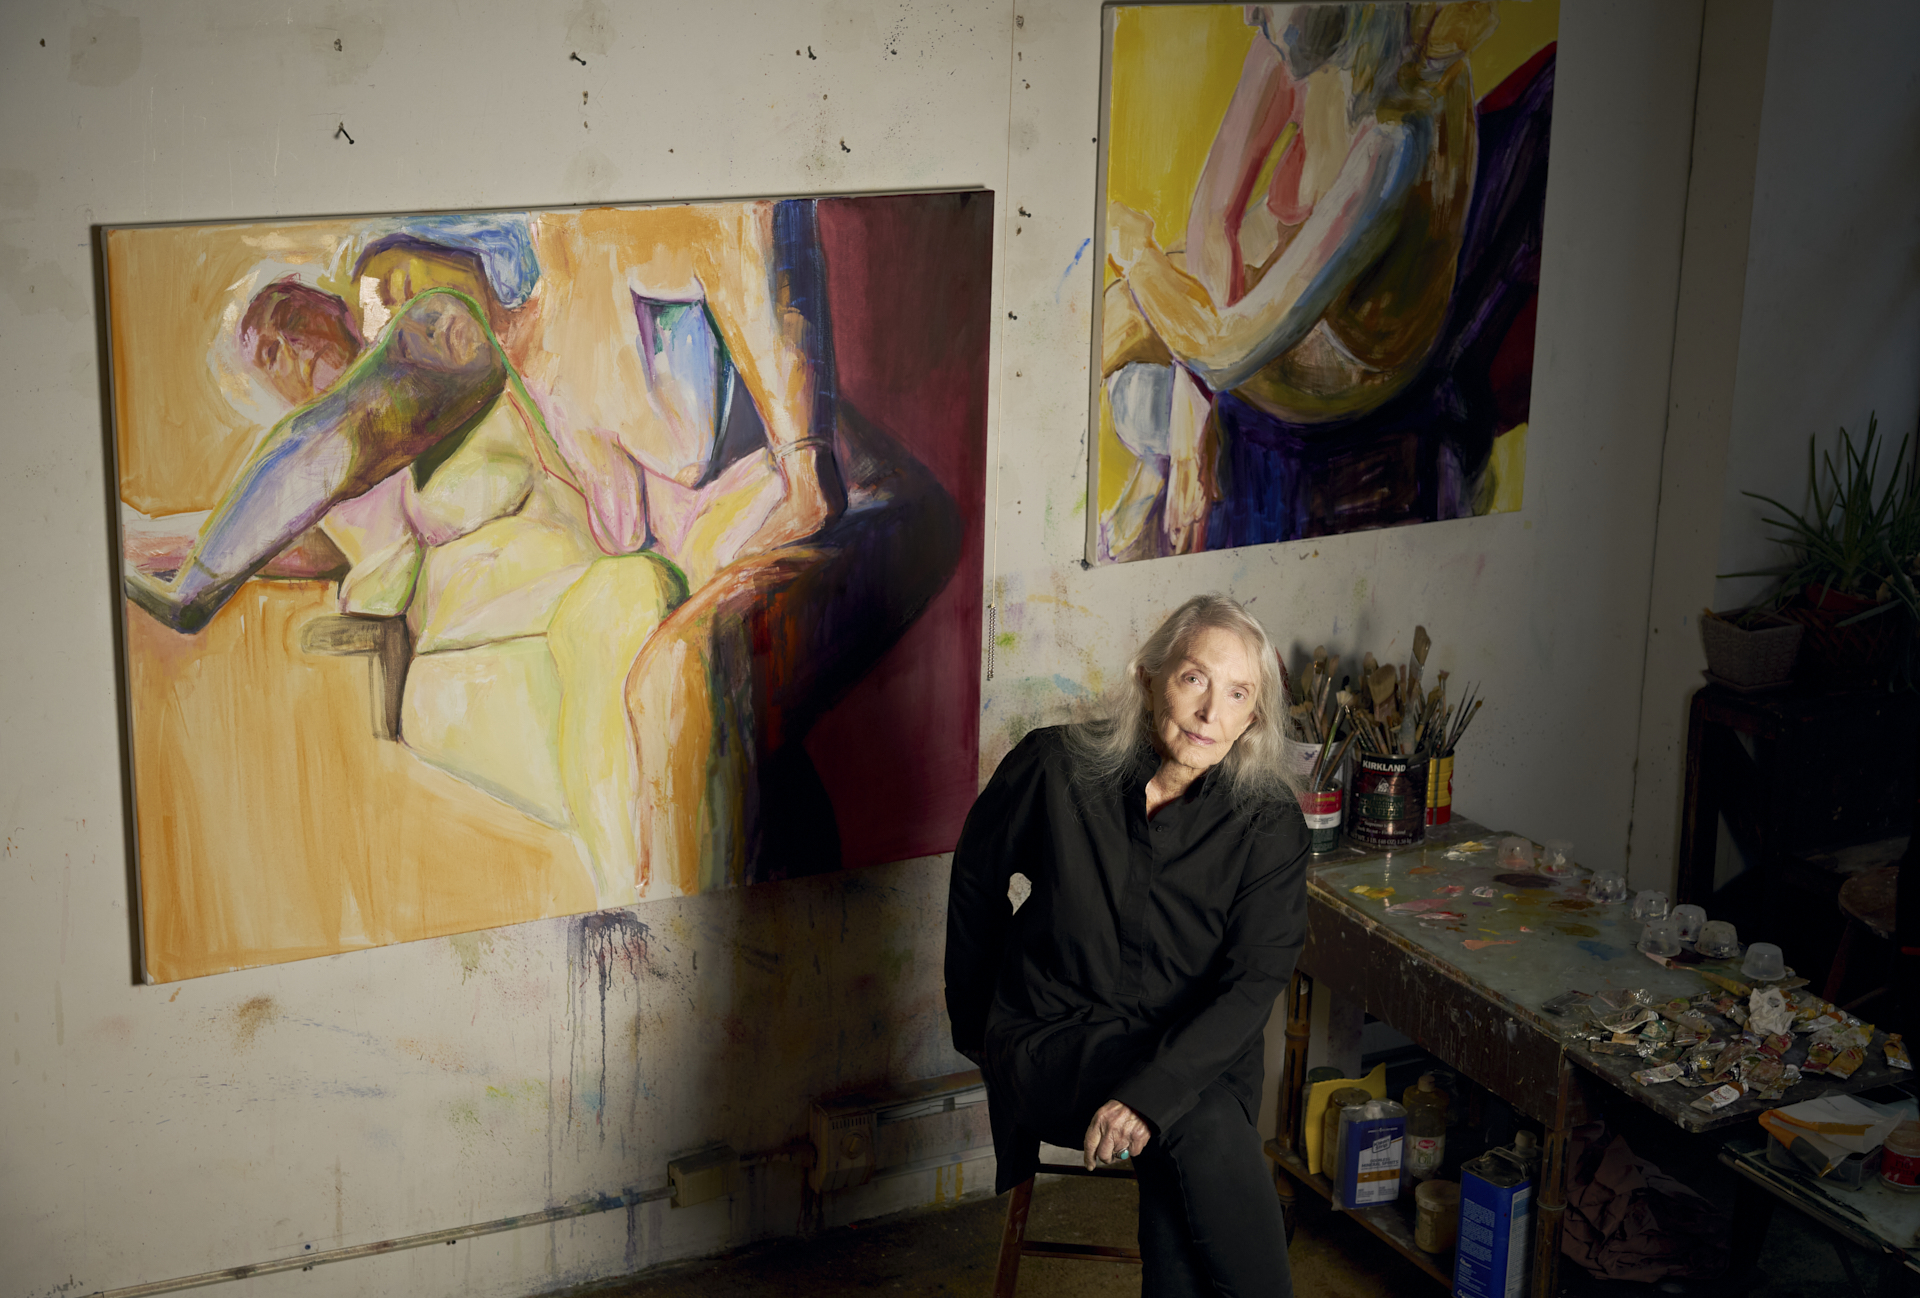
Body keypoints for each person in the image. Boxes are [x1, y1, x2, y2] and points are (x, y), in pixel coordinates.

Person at [123, 200, 960, 905]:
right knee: (701, 744)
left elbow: (746, 228)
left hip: (845, 508)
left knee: (674, 681)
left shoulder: (578, 257)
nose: (389, 319)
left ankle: (681, 988)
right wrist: (188, 560)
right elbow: (336, 462)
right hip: (723, 563)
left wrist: (804, 456)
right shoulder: (535, 387)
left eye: (397, 286)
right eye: (374, 306)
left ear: (465, 251)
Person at [945, 594, 1309, 1296]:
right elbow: (975, 885)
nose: (1211, 713)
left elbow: (1253, 984)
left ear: (1253, 718)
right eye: (1194, 679)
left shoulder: (1269, 825)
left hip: (1198, 1042)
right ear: (1148, 677)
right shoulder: (1053, 768)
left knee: (1185, 1125)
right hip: (1058, 1038)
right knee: (1195, 1118)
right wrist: (976, 1030)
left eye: (1237, 694)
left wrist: (1149, 1096)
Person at [1099, 1, 1546, 556]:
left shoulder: (1395, 138)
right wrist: (1192, 419)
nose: (1248, 13)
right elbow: (1215, 222)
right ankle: (1162, 458)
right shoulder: (1297, 42)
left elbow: (1227, 355)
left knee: (1120, 366)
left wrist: (1135, 251)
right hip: (1277, 293)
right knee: (1112, 324)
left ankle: (1153, 458)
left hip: (1343, 360)